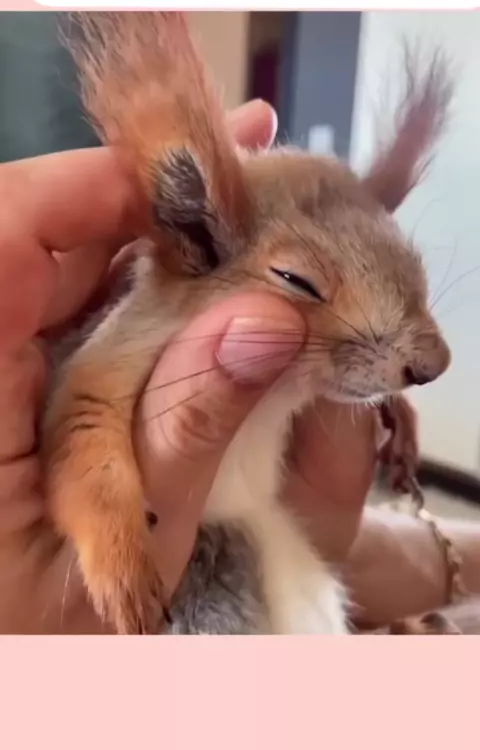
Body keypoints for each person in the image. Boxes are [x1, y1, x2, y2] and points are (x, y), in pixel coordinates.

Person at [1, 99, 479, 634]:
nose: (432, 360)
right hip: (194, 560)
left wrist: (386, 402)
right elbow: (83, 424)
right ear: (198, 239)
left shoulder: (300, 348)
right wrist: (109, 531)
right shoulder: (148, 322)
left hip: (279, 529)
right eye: (301, 282)